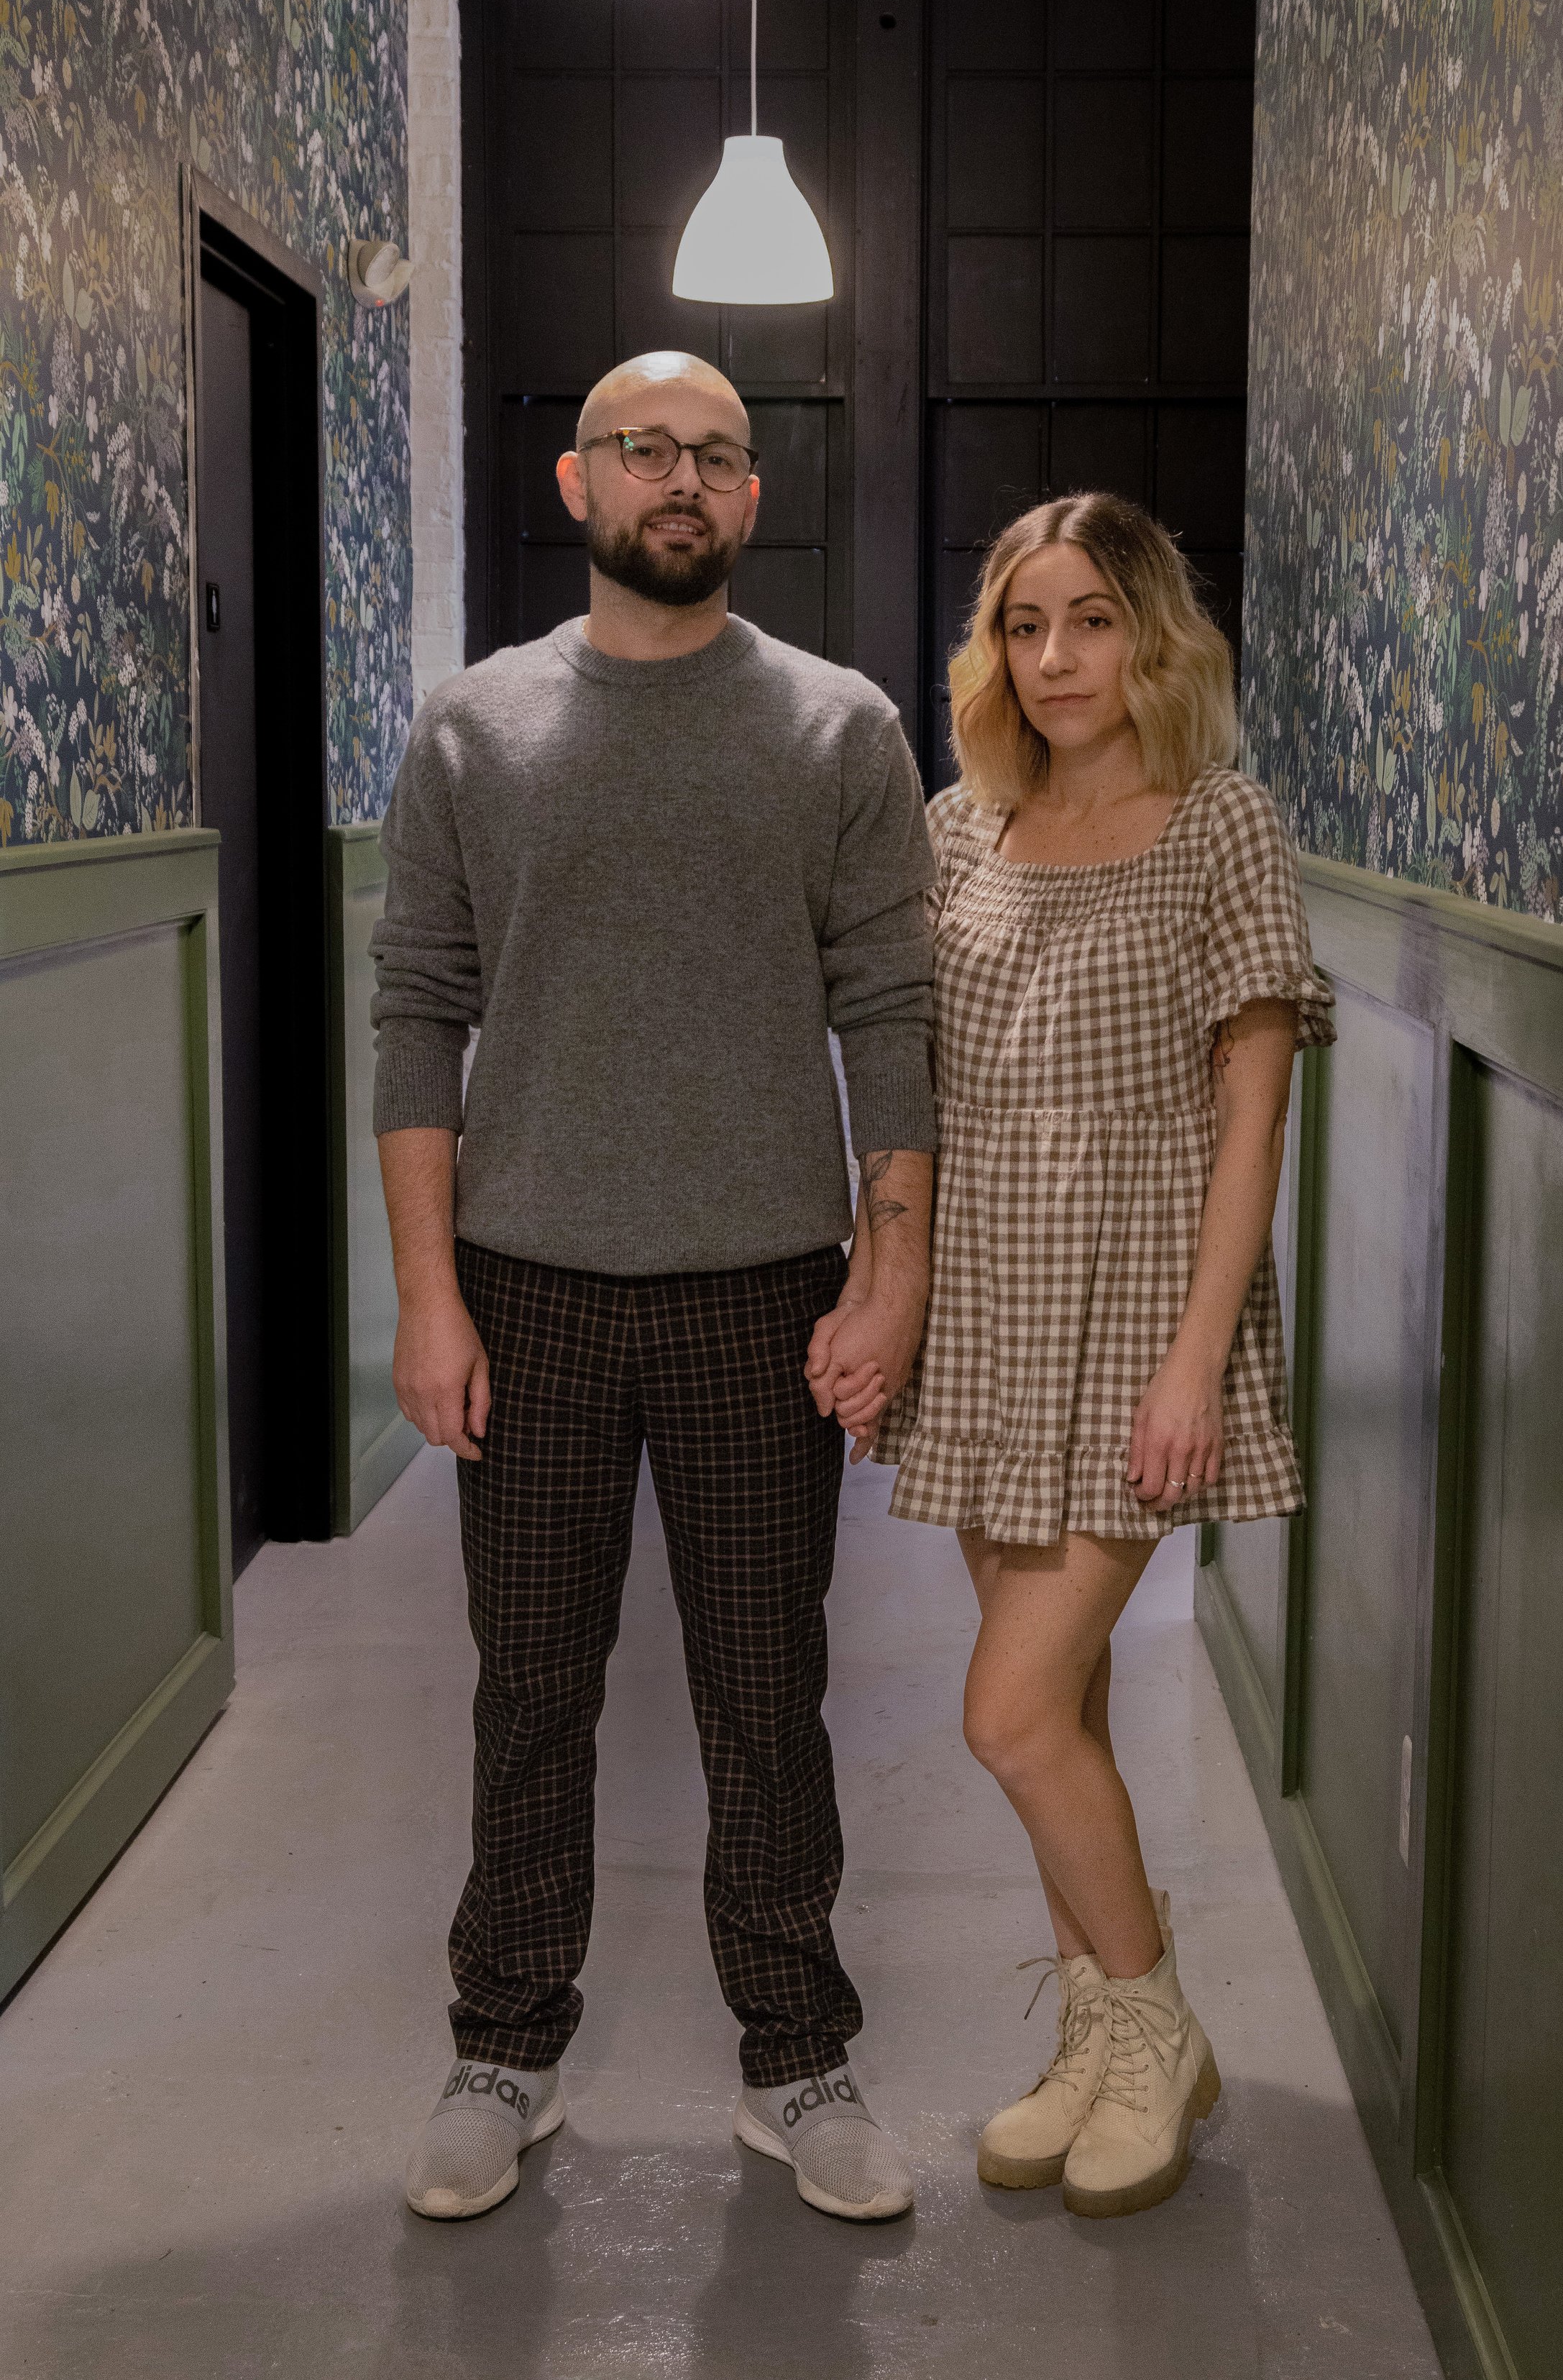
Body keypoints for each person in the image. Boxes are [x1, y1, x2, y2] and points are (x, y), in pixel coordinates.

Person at [371, 350, 935, 2226]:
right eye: (643, 449)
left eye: (713, 454)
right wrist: (427, 1293)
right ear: (579, 479)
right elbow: (417, 1010)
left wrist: (891, 1273)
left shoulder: (841, 728)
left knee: (768, 1691)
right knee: (531, 1686)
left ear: (750, 495)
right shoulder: (473, 727)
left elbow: (890, 1008)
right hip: (524, 1290)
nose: (677, 478)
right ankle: (502, 2042)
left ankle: (795, 2053)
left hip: (763, 1293)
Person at [811, 492, 1334, 2220]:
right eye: (1023, 624)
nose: (1053, 658)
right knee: (1074, 1708)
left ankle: (1155, 2028)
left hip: (1134, 1313)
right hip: (987, 1308)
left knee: (1007, 1709)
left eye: (1090, 620)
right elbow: (911, 1090)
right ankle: (1094, 2047)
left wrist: (1193, 1360)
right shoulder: (957, 828)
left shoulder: (1221, 824)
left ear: (1152, 636)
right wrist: (883, 1285)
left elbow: (1252, 1117)